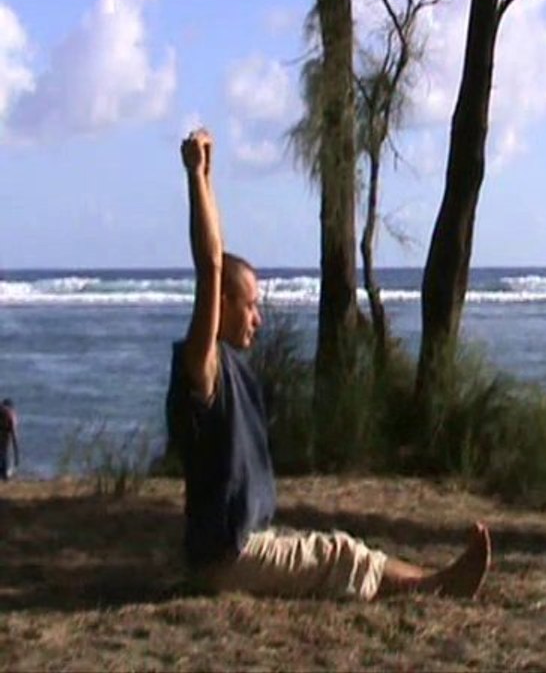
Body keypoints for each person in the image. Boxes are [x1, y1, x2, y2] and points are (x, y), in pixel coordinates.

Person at [165, 128, 491, 600]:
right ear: (222, 305)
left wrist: (210, 178)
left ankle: (435, 579)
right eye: (250, 305)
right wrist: (196, 177)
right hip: (227, 561)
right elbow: (212, 266)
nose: (258, 317)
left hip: (232, 549)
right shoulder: (204, 366)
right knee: (341, 553)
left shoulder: (227, 365)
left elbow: (220, 265)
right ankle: (438, 585)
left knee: (334, 548)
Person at [0, 398, 19, 480]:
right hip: (4, 441)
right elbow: (14, 436)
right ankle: (4, 477)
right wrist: (17, 456)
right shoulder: (10, 414)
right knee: (4, 457)